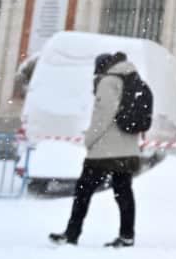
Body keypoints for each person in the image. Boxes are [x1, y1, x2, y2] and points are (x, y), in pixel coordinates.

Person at [49, 52, 140, 247]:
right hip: (127, 148)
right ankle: (127, 235)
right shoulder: (133, 79)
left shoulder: (108, 81)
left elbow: (103, 115)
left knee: (83, 191)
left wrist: (89, 139)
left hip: (104, 150)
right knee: (123, 193)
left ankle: (71, 234)